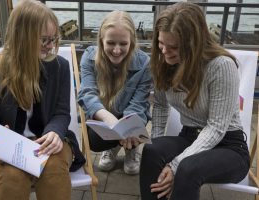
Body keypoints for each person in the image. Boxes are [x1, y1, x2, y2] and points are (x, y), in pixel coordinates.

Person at [0, 0, 78, 199]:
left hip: (46, 141)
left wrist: (55, 132)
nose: (50, 46)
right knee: (12, 174)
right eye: (44, 40)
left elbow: (61, 112)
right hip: (9, 145)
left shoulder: (60, 66)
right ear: (22, 37)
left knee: (54, 168)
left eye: (53, 39)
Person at [140, 2, 250, 200]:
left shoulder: (221, 66)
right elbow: (161, 106)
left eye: (173, 47)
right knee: (151, 151)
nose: (164, 51)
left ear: (194, 43)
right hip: (190, 136)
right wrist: (155, 139)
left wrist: (174, 165)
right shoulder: (164, 63)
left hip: (229, 146)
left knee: (186, 169)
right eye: (161, 43)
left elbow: (216, 128)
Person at [78, 10, 152, 175]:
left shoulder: (144, 63)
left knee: (135, 127)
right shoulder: (89, 58)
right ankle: (112, 147)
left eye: (123, 44)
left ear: (131, 42)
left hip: (130, 115)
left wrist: (127, 128)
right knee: (94, 141)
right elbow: (87, 93)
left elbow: (138, 103)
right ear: (101, 40)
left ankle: (130, 149)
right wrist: (109, 119)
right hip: (103, 116)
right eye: (111, 43)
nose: (117, 50)